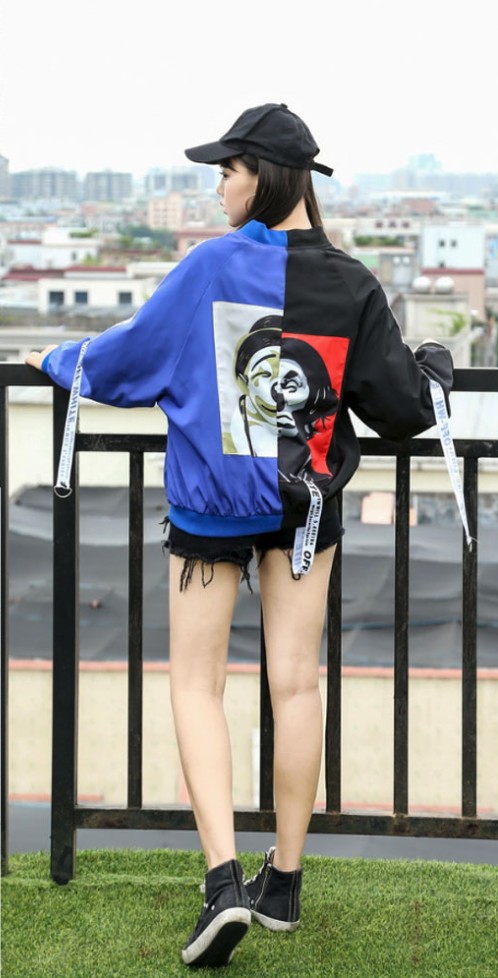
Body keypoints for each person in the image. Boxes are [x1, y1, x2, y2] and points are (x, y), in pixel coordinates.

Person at [26, 102, 453, 968]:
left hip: (214, 507)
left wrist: (57, 360)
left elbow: (129, 358)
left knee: (196, 685)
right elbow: (403, 407)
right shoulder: (352, 282)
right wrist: (434, 366)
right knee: (295, 687)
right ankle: (282, 886)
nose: (218, 186)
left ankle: (223, 884)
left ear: (263, 175)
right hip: (304, 508)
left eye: (226, 171)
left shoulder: (208, 267)